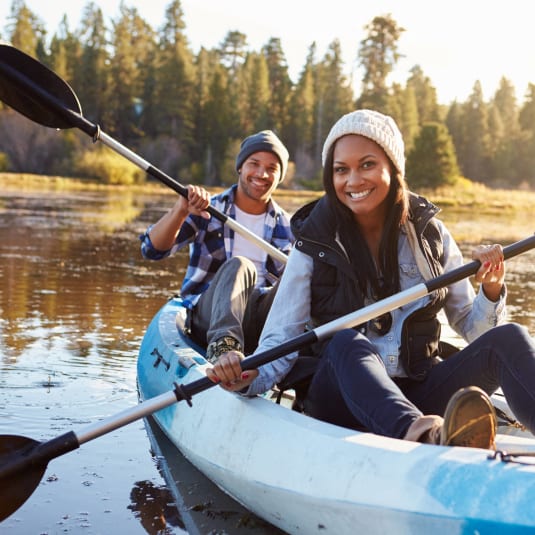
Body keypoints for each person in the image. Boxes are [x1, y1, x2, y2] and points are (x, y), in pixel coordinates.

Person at [206, 109, 535, 449]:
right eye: (341, 170)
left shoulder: (430, 234)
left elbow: (474, 328)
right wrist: (245, 376)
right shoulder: (313, 242)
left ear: (393, 168)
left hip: (419, 390)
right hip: (341, 399)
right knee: (346, 342)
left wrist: (491, 289)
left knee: (508, 338)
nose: (353, 181)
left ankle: (435, 430)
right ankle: (424, 436)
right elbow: (281, 338)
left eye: (367, 165)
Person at [140, 130, 294, 362]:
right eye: (254, 163)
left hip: (261, 323)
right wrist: (180, 210)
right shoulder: (208, 208)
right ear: (240, 167)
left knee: (298, 275)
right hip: (209, 315)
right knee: (241, 266)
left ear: (280, 176)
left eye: (272, 168)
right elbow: (152, 250)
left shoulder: (289, 226)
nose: (262, 174)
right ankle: (224, 348)